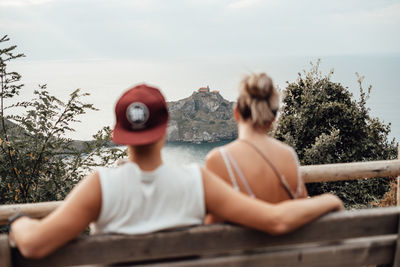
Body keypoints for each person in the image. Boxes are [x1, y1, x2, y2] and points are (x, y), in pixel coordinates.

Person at [9, 84, 343, 259]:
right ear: (167, 128)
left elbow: (35, 245)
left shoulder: (100, 186)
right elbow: (276, 220)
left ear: (119, 133)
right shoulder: (196, 182)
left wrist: (18, 222)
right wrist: (329, 199)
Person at [205, 73, 307, 223]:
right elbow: (301, 209)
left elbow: (211, 226)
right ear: (273, 118)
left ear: (236, 112)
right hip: (286, 245)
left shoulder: (219, 159)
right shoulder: (289, 156)